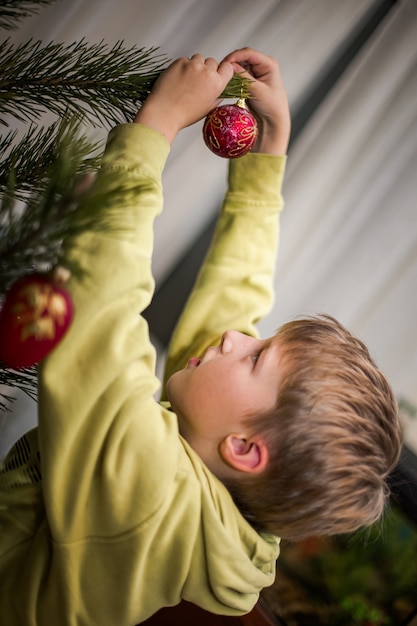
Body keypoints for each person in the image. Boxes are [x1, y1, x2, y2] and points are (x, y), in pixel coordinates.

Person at [0, 48, 402, 626]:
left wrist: (156, 128)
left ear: (243, 448)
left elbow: (101, 323)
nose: (237, 339)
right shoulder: (220, 481)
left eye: (256, 355)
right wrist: (268, 154)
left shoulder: (152, 492)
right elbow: (234, 304)